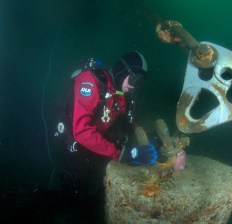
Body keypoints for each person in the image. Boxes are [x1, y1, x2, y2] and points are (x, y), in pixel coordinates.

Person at [52, 51, 158, 223]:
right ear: (123, 71)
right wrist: (121, 154)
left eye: (140, 82)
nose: (135, 86)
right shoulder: (90, 82)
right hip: (74, 148)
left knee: (97, 199)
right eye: (135, 79)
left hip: (96, 148)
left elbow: (128, 122)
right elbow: (81, 131)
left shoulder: (121, 94)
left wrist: (147, 139)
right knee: (74, 203)